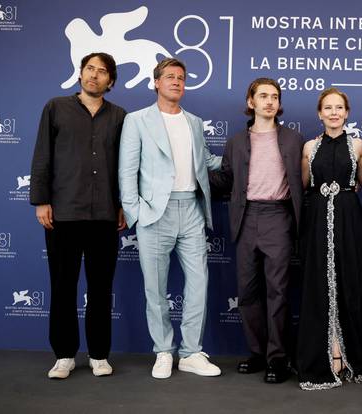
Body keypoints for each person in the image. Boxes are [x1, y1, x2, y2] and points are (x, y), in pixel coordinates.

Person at [118, 58, 222, 379]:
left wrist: (248, 154)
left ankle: (191, 352)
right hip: (154, 213)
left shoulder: (193, 121)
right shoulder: (137, 120)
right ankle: (163, 351)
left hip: (191, 208)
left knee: (198, 283)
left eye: (181, 77)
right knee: (155, 287)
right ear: (156, 83)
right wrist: (136, 211)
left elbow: (207, 161)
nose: (176, 82)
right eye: (170, 77)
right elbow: (127, 170)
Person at [30, 52, 126, 379]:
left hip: (104, 215)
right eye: (89, 69)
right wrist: (41, 201)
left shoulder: (119, 116)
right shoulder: (55, 108)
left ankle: (99, 354)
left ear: (110, 81)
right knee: (62, 286)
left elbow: (126, 168)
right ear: (80, 73)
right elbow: (42, 155)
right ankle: (64, 355)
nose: (94, 76)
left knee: (100, 288)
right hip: (63, 214)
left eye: (101, 72)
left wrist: (124, 203)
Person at [209, 78, 303, 383]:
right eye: (263, 96)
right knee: (248, 291)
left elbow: (305, 180)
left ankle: (278, 358)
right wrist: (190, 173)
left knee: (277, 290)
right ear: (251, 102)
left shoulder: (293, 139)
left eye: (274, 96)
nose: (269, 101)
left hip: (278, 216)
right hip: (246, 216)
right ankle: (257, 352)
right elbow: (225, 179)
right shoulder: (236, 141)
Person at [297, 88, 362, 390]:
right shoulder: (308, 147)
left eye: (339, 107)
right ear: (319, 113)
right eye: (328, 107)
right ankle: (327, 353)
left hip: (349, 218)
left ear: (347, 112)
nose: (333, 112)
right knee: (318, 284)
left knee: (348, 282)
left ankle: (345, 354)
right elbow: (303, 185)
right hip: (316, 220)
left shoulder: (359, 146)